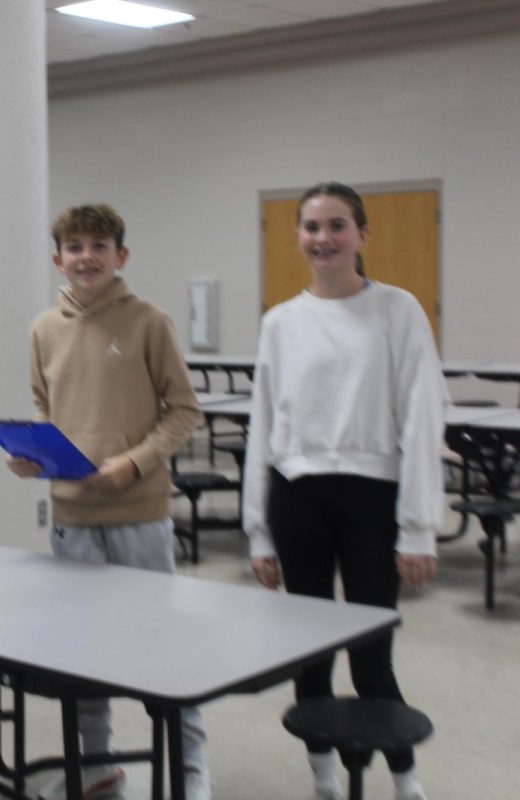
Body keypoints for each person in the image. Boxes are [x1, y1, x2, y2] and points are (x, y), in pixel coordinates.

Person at [242, 182, 446, 800]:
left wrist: (418, 526)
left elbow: (421, 419)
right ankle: (324, 778)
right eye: (311, 227)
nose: (322, 238)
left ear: (361, 235)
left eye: (336, 225)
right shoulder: (280, 322)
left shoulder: (398, 309)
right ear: (298, 236)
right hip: (297, 499)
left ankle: (406, 782)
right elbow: (264, 428)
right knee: (311, 655)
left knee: (370, 656)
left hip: (371, 501)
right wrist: (258, 530)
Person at [7, 204, 210, 800]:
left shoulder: (150, 322)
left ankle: (191, 764)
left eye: (99, 245)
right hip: (72, 515)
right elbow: (46, 407)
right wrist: (34, 454)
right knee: (83, 651)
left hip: (140, 513)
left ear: (121, 256)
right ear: (58, 259)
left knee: (160, 646)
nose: (86, 256)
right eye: (75, 246)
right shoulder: (43, 328)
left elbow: (185, 411)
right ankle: (97, 764)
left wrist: (135, 461)